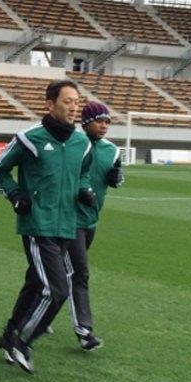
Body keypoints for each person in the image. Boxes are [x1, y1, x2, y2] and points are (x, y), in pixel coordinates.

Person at [0, 79, 93, 374]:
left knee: (36, 283)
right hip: (38, 224)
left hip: (68, 224)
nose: (73, 107)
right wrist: (15, 196)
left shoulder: (82, 143)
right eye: (67, 101)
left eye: (77, 102)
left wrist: (85, 190)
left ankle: (9, 334)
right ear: (50, 105)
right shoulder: (29, 139)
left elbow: (83, 174)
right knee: (57, 289)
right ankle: (22, 340)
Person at [66, 101, 124, 350]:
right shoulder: (73, 145)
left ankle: (33, 313)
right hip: (69, 220)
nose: (103, 126)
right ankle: (84, 331)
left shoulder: (113, 150)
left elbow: (118, 178)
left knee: (48, 273)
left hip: (91, 220)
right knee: (79, 273)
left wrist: (117, 178)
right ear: (85, 123)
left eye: (107, 122)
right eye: (99, 121)